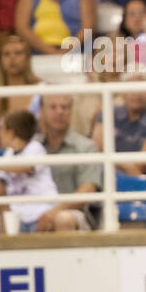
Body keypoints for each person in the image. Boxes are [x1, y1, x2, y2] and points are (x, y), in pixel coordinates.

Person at [0, 109, 61, 234]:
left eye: (1, 129)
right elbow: (0, 191)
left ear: (11, 133)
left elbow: (24, 167)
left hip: (42, 212)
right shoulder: (8, 155)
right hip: (17, 217)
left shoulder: (35, 147)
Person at [32, 93, 102, 231]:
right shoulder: (31, 146)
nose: (60, 112)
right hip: (35, 211)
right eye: (53, 107)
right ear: (41, 111)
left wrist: (53, 213)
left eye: (64, 107)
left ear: (71, 111)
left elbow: (87, 190)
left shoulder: (86, 146)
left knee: (63, 219)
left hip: (75, 214)